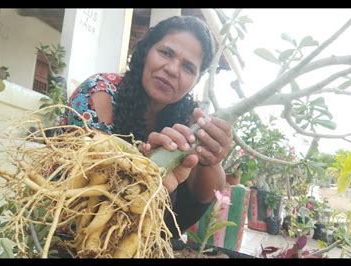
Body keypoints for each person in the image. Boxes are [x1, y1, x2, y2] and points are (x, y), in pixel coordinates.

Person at [60, 16, 233, 238]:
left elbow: (206, 195)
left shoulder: (188, 120)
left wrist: (212, 157)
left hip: (128, 234)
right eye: (166, 53)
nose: (172, 69)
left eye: (188, 67)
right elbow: (94, 183)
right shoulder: (99, 93)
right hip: (70, 219)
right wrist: (144, 164)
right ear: (146, 52)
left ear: (196, 81)